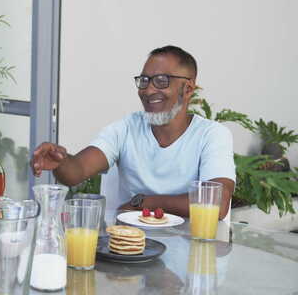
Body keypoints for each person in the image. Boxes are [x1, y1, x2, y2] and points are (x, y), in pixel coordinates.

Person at [31, 45, 235, 220]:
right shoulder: (126, 128)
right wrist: (61, 162)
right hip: (132, 249)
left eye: (162, 81)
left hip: (193, 253)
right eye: (144, 80)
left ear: (188, 89)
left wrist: (143, 202)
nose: (148, 90)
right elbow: (77, 171)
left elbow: (217, 203)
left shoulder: (212, 135)